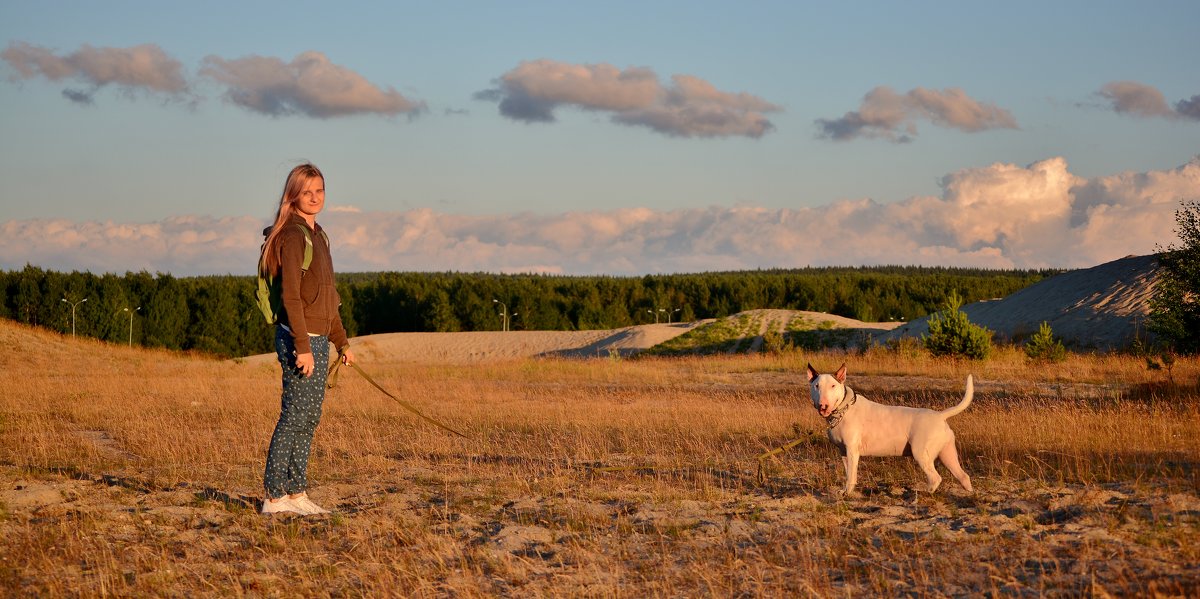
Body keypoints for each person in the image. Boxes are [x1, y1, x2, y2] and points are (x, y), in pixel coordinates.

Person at [258, 163, 355, 516]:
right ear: (294, 195)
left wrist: (341, 342)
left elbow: (329, 297)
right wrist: (302, 346)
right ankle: (274, 496)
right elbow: (292, 296)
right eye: (307, 192)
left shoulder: (320, 235)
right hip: (300, 341)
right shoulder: (293, 236)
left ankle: (296, 493)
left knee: (308, 419)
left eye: (320, 191)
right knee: (293, 418)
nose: (315, 198)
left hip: (317, 340)